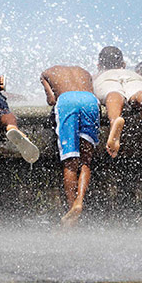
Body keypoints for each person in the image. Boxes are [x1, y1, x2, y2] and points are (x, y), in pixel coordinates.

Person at [40, 65, 99, 226]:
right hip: (90, 101)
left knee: (70, 160)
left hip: (67, 102)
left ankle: (71, 208)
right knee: (86, 160)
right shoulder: (84, 72)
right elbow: (92, 92)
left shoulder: (47, 73)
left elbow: (52, 100)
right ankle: (80, 201)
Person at [92, 46, 142, 157]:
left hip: (106, 78)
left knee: (112, 93)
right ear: (123, 64)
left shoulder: (99, 75)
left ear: (99, 66)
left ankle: (115, 122)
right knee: (139, 92)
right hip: (133, 77)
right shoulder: (130, 71)